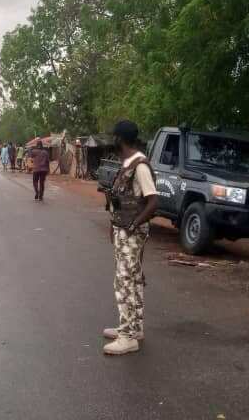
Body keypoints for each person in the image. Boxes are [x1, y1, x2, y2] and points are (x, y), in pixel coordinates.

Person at [102, 120, 160, 355]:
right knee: (133, 279)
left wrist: (133, 225)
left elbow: (153, 201)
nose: (112, 141)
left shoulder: (140, 166)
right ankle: (134, 328)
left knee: (124, 280)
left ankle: (127, 337)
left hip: (131, 232)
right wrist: (114, 225)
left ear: (120, 138)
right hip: (123, 230)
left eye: (114, 137)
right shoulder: (126, 164)